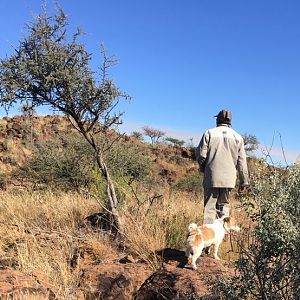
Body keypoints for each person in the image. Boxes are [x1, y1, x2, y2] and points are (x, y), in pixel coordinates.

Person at [196, 109, 249, 224]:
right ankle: (222, 236)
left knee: (209, 209)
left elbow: (201, 155)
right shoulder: (238, 137)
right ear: (230, 121)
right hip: (229, 180)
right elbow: (242, 162)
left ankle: (209, 238)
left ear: (218, 119)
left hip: (212, 177)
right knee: (224, 207)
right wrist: (244, 182)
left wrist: (203, 168)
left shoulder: (209, 133)